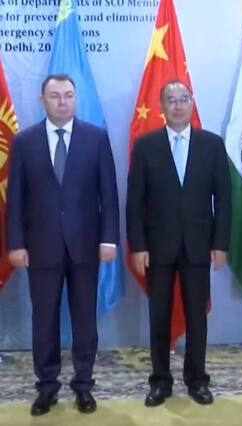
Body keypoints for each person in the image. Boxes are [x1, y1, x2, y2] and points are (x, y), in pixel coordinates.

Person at [6, 73, 120, 416]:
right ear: (42, 100)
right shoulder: (24, 141)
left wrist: (109, 239)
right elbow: (16, 199)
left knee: (85, 320)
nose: (62, 102)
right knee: (44, 320)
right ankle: (47, 386)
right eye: (55, 96)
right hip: (40, 247)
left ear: (76, 98)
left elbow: (108, 195)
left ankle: (83, 385)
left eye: (68, 95)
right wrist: (16, 244)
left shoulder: (95, 138)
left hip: (86, 246)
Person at [126, 80, 231, 407]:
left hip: (199, 246)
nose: (178, 105)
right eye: (171, 100)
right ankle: (160, 381)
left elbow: (224, 199)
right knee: (159, 316)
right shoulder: (146, 145)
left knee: (197, 317)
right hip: (157, 247)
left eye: (183, 99)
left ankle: (197, 380)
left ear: (192, 102)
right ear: (162, 106)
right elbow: (134, 202)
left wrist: (221, 244)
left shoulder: (212, 145)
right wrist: (138, 246)